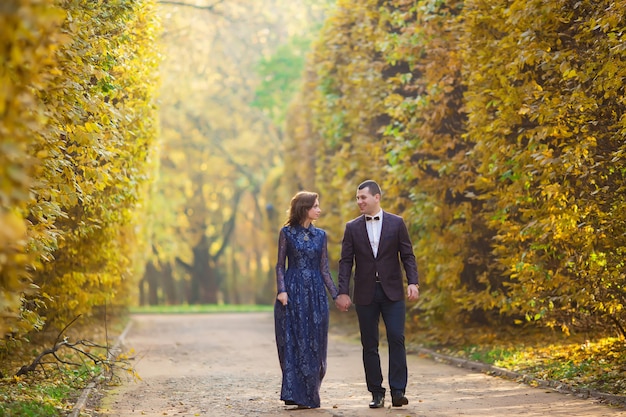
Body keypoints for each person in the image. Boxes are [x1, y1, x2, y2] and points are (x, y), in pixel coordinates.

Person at [335, 180, 419, 409]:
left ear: (377, 197)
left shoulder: (397, 223)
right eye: (357, 198)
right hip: (365, 293)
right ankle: (376, 392)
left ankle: (398, 390)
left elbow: (408, 256)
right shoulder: (352, 227)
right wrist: (342, 292)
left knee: (396, 337)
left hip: (392, 291)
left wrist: (413, 282)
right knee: (369, 343)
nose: (359, 201)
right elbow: (345, 263)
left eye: (363, 197)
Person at [274, 191, 339, 409]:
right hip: (292, 292)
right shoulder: (286, 233)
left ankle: (311, 391)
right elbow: (279, 265)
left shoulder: (321, 235)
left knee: (315, 343)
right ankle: (296, 393)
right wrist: (281, 290)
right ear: (304, 208)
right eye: (316, 206)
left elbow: (324, 269)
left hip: (315, 294)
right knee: (293, 342)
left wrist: (336, 294)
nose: (319, 210)